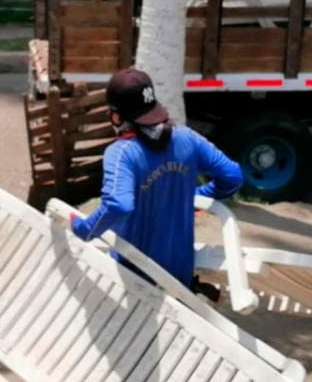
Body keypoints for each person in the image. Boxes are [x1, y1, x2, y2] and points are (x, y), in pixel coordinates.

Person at [71, 68, 242, 289]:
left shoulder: (121, 153)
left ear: (115, 116)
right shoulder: (187, 138)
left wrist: (84, 229)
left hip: (134, 282)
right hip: (180, 280)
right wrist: (195, 197)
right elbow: (233, 176)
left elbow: (119, 204)